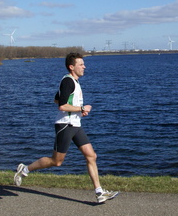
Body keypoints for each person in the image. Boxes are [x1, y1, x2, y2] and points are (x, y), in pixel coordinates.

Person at [14, 52, 119, 204]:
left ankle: (99, 192)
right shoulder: (68, 81)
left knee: (91, 156)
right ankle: (24, 169)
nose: (84, 66)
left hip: (75, 125)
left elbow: (57, 99)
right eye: (81, 64)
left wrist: (78, 110)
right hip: (65, 125)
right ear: (72, 67)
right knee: (56, 162)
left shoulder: (73, 82)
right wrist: (81, 107)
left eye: (84, 64)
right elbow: (62, 106)